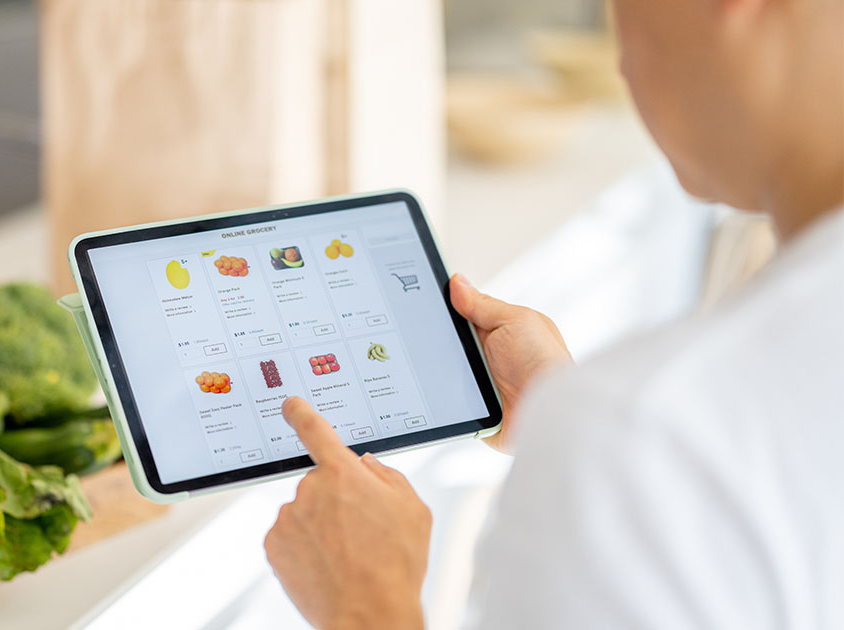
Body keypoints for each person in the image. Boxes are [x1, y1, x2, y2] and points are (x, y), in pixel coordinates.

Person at [263, 0, 843, 627]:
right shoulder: (652, 430)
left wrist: (368, 604)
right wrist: (569, 423)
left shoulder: (642, 432)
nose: (620, 60)